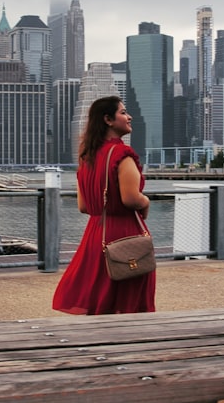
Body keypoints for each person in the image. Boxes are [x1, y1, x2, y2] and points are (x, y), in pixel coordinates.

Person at [53, 96, 155, 315]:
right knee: (128, 300)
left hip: (95, 234)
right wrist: (145, 201)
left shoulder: (86, 158)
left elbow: (84, 206)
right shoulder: (122, 154)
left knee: (100, 298)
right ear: (108, 119)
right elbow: (130, 198)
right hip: (124, 233)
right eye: (123, 112)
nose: (129, 117)